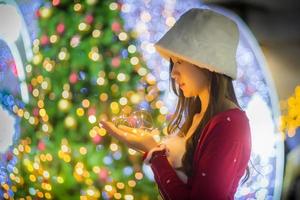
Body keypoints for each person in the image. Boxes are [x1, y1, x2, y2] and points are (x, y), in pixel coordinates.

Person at [100, 8, 252, 200]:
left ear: (206, 63)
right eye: (174, 63)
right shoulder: (199, 117)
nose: (173, 73)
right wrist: (152, 149)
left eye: (179, 61)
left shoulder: (230, 125)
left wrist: (155, 153)